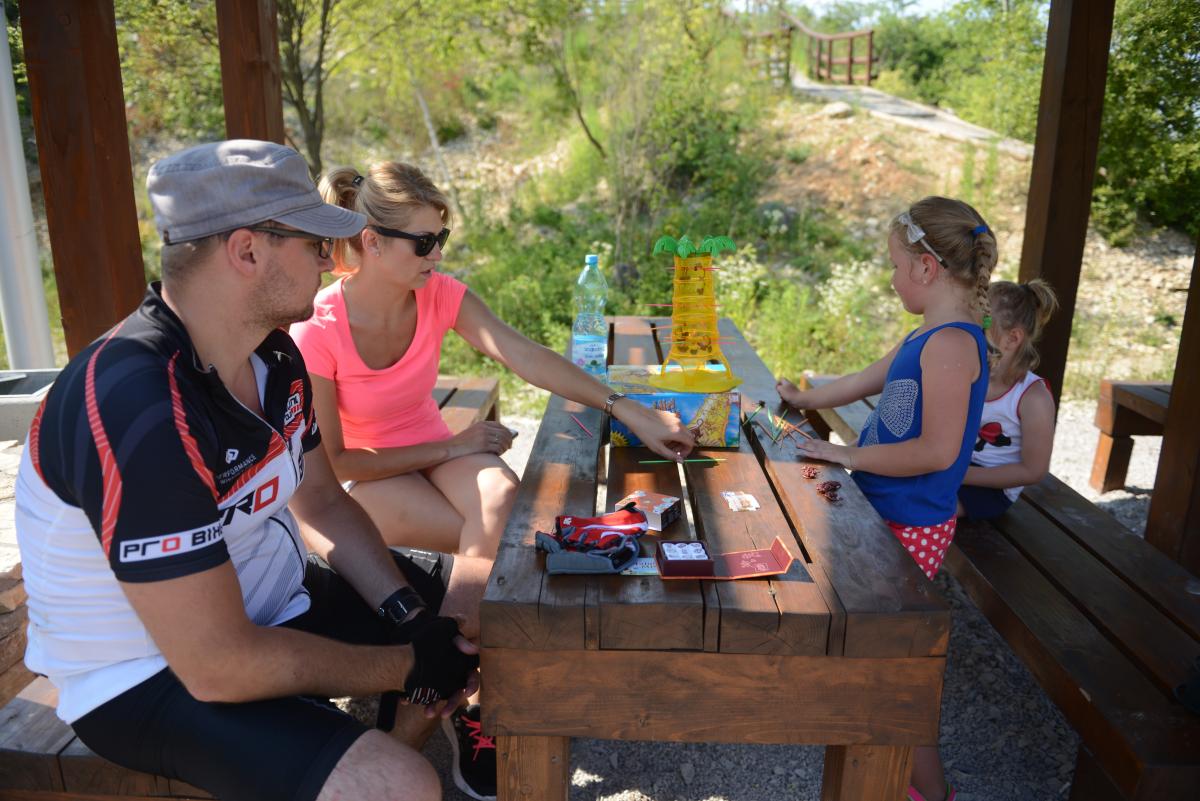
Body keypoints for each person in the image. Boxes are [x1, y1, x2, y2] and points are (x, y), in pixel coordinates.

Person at [14, 140, 481, 801]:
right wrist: (405, 664)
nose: (331, 261)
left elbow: (323, 502)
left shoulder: (276, 355)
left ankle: (380, 734)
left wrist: (408, 616)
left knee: (475, 602)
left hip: (270, 602)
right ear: (247, 252)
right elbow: (219, 664)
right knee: (400, 784)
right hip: (147, 674)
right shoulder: (137, 407)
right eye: (315, 243)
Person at [288, 160, 694, 798]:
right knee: (500, 542)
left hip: (433, 451)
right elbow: (337, 463)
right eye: (424, 242)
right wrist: (454, 444)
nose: (437, 254)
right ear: (372, 242)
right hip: (365, 481)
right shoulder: (318, 330)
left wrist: (627, 409)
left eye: (441, 238)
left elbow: (524, 354)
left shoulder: (438, 294)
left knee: (503, 502)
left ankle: (456, 687)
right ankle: (460, 695)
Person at [776, 196, 997, 801]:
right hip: (885, 513)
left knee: (890, 667)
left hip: (909, 522)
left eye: (897, 266)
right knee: (876, 659)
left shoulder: (952, 345)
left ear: (926, 267)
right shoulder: (925, 335)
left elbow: (937, 451)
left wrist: (846, 456)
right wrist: (803, 400)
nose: (893, 277)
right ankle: (885, 764)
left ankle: (920, 787)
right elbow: (861, 381)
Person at [958, 279, 1059, 519]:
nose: (966, 339)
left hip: (992, 487)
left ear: (1012, 339)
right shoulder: (967, 373)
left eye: (978, 331)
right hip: (952, 466)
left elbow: (1034, 470)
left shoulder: (1032, 398)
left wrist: (959, 475)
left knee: (923, 511)